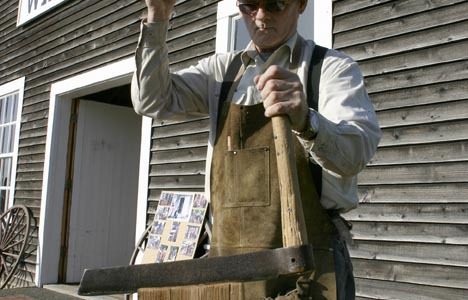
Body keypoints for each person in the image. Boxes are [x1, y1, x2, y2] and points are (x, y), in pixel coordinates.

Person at [131, 0, 381, 299]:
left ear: (301, 4)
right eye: (250, 5)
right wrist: (158, 17)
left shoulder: (329, 69)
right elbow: (152, 100)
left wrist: (307, 120)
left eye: (275, 4)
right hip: (230, 265)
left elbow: (354, 156)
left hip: (310, 264)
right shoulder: (222, 73)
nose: (261, 16)